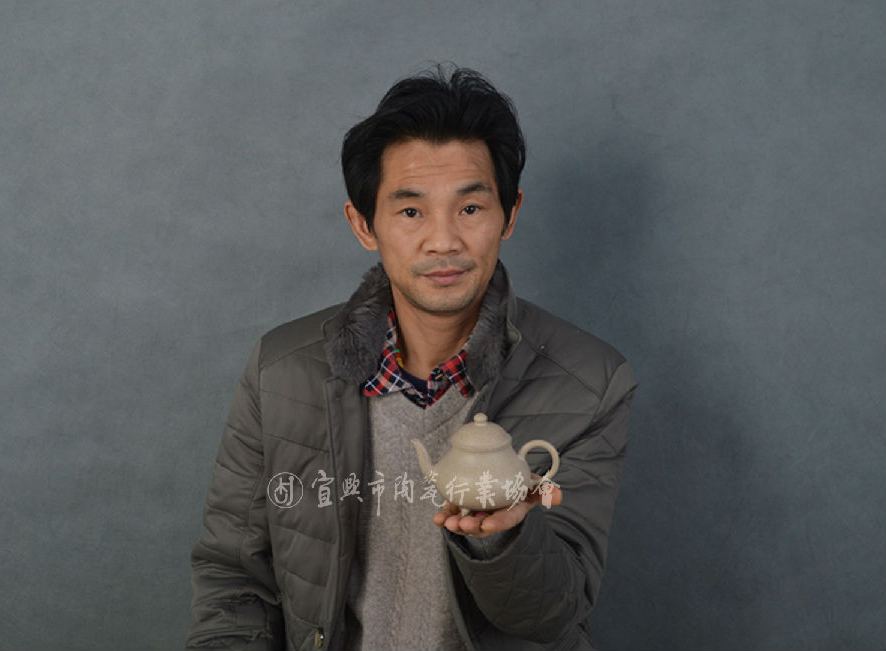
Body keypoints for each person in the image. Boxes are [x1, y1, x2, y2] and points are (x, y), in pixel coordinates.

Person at [187, 65, 637, 651]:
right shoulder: (281, 371)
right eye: (410, 211)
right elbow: (234, 577)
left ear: (510, 213)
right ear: (363, 224)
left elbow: (556, 613)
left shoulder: (590, 381)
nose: (443, 240)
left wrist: (503, 538)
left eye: (470, 209)